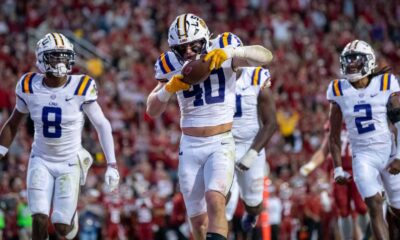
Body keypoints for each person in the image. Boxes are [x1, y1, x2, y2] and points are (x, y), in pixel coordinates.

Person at [146, 13, 273, 240]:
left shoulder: (223, 47)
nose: (188, 53)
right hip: (190, 145)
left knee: (216, 200)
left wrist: (231, 53)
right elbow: (152, 110)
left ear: (205, 38)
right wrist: (167, 90)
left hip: (221, 141)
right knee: (198, 222)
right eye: (181, 48)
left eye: (193, 45)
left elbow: (265, 57)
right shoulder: (169, 64)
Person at [0, 33, 120, 240]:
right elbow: (13, 122)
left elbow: (101, 124)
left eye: (64, 56)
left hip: (69, 161)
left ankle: (70, 218)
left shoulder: (81, 86)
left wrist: (112, 164)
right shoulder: (29, 85)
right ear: (41, 59)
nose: (61, 61)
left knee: (62, 227)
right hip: (41, 158)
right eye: (54, 56)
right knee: (38, 216)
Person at [327, 39, 400, 240]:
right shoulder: (338, 89)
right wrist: (338, 168)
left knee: (397, 209)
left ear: (368, 61)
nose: (350, 64)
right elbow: (333, 135)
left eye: (355, 59)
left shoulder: (385, 82)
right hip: (362, 157)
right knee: (374, 206)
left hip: (389, 151)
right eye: (347, 60)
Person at [225, 66, 277, 233]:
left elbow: (271, 123)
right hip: (224, 144)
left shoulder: (255, 78)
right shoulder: (211, 79)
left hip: (251, 143)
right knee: (222, 202)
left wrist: (252, 153)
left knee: (254, 204)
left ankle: (252, 213)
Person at [300, 123, 368, 239]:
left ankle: (367, 237)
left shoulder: (358, 117)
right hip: (339, 170)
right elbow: (324, 150)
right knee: (343, 210)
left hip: (358, 168)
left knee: (362, 207)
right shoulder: (335, 122)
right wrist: (310, 165)